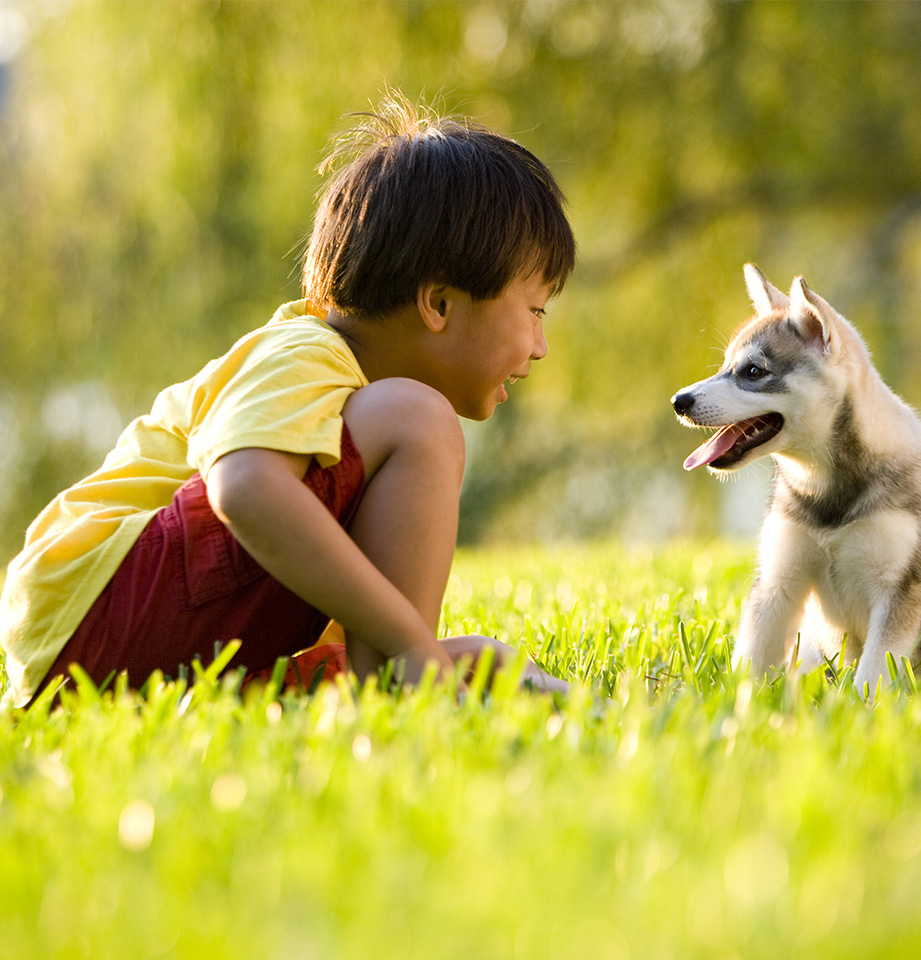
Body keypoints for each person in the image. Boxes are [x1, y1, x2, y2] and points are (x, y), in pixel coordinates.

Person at [0, 93, 577, 708]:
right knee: (420, 417)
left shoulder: (348, 419)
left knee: (435, 652)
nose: (540, 347)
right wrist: (412, 645)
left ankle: (394, 686)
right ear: (438, 304)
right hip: (95, 613)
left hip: (102, 652)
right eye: (535, 311)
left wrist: (433, 653)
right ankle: (404, 684)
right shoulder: (308, 353)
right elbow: (243, 487)